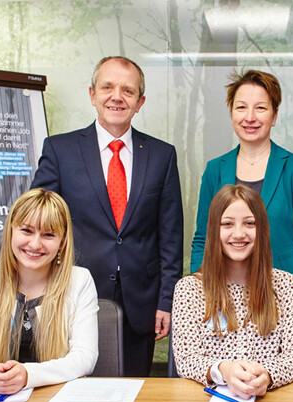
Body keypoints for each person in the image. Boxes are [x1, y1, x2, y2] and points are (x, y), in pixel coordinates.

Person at [31, 56, 183, 376]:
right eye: (107, 87)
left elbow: (170, 236)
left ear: (140, 102)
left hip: (140, 304)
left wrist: (165, 301)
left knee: (134, 396)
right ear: (92, 95)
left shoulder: (161, 155)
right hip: (72, 297)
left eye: (128, 91)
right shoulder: (60, 150)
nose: (117, 97)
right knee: (73, 392)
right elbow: (35, 222)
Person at [190, 70, 293, 344]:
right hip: (223, 299)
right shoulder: (215, 169)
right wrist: (198, 302)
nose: (250, 117)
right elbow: (203, 239)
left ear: (274, 116)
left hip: (281, 300)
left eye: (260, 108)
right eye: (241, 107)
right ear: (232, 114)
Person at [0, 188, 99, 394]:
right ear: (11, 231)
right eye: (27, 231)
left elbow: (85, 357)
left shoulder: (80, 280)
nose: (35, 244)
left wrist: (27, 376)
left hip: (58, 400)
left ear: (62, 241)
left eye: (48, 234)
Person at [173, 185, 293, 399]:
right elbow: (186, 359)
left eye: (249, 223)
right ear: (213, 230)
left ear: (262, 229)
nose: (239, 233)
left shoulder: (286, 285)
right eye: (227, 224)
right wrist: (224, 371)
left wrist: (267, 375)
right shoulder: (188, 289)